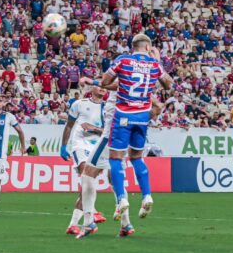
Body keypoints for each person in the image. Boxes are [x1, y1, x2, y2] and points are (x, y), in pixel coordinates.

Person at [95, 33, 172, 237]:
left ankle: (122, 199)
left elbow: (104, 81)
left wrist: (121, 81)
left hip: (124, 115)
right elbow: (168, 84)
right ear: (147, 47)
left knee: (116, 158)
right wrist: (156, 62)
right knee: (137, 157)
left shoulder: (123, 60)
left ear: (133, 46)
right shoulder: (154, 64)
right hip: (143, 117)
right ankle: (146, 196)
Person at [60, 85, 108, 236]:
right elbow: (69, 126)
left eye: (104, 87)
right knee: (85, 174)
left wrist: (94, 129)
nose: (102, 88)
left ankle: (73, 225)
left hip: (97, 147)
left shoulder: (108, 108)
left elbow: (109, 131)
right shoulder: (79, 104)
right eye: (98, 86)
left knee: (87, 185)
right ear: (91, 89)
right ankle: (92, 212)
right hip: (79, 144)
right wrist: (63, 146)